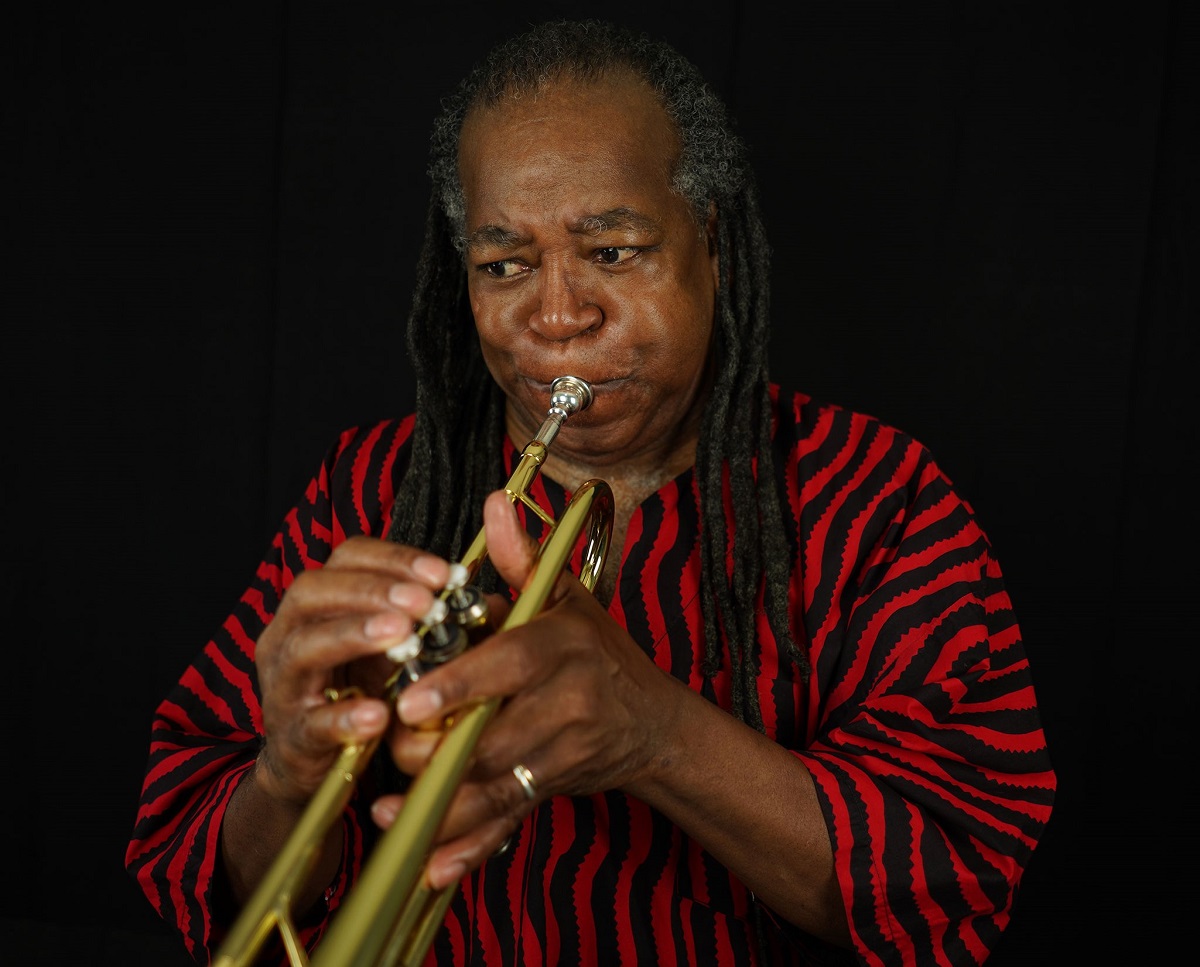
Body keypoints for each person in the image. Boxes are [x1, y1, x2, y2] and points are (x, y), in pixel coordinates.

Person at [126, 18, 1056, 966]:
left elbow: (954, 873)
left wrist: (653, 730)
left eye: (612, 251)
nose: (558, 316)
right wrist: (287, 772)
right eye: (504, 266)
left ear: (712, 244)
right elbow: (193, 859)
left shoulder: (882, 497)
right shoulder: (370, 487)